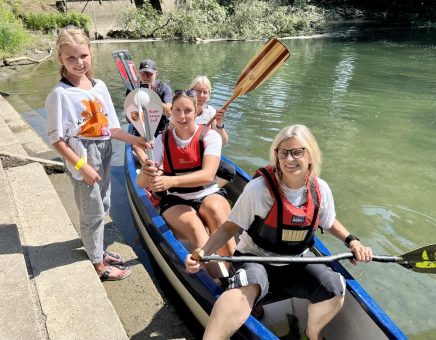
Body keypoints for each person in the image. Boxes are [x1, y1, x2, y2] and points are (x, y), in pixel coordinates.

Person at [185, 124, 373, 339]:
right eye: (283, 153)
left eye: (297, 152)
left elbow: (328, 221)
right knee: (247, 285)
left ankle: (312, 334)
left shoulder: (320, 189)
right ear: (276, 156)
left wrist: (352, 241)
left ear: (310, 155)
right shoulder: (258, 189)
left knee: (335, 286)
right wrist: (201, 252)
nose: (289, 159)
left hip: (296, 261)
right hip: (255, 258)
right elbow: (230, 226)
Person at [46, 26, 149, 281]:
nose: (79, 62)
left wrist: (137, 139)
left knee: (103, 203)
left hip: (104, 149)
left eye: (83, 55)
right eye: (71, 58)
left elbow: (111, 128)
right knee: (91, 209)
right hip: (82, 153)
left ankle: (97, 249)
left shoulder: (99, 86)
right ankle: (98, 264)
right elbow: (56, 140)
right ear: (61, 59)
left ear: (90, 53)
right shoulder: (60, 94)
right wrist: (82, 165)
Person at [137, 89, 236, 273]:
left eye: (188, 111)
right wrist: (145, 170)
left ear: (197, 110)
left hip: (207, 192)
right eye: (177, 110)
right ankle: (220, 281)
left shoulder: (210, 136)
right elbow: (142, 184)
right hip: (176, 199)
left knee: (217, 214)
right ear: (171, 111)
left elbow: (207, 175)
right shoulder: (162, 139)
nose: (182, 116)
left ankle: (235, 269)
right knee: (195, 228)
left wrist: (170, 181)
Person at [190, 75, 235, 186]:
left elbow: (223, 143)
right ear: (191, 92)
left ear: (209, 95)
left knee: (229, 171)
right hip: (187, 156)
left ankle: (207, 188)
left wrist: (219, 124)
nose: (201, 96)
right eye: (197, 91)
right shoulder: (184, 110)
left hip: (205, 157)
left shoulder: (212, 113)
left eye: (205, 92)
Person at [127, 58, 173, 166]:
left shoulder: (164, 88)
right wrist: (136, 105)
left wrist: (150, 97)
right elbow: (129, 119)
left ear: (156, 73)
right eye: (143, 74)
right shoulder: (132, 90)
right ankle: (150, 168)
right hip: (141, 129)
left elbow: (168, 112)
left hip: (160, 129)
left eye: (149, 74)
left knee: (166, 146)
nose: (146, 77)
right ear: (139, 74)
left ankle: (160, 166)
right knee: (135, 146)